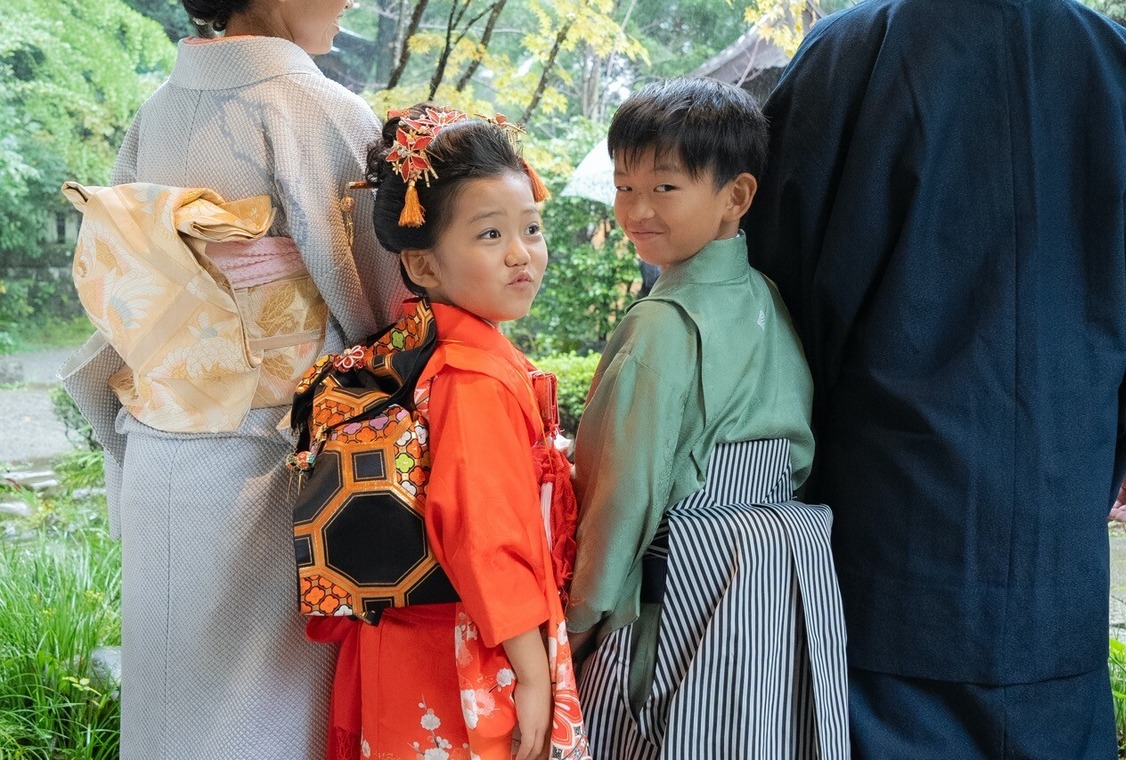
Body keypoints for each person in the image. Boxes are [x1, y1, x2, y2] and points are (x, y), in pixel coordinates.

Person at [747, 1, 1126, 757]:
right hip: (1057, 559)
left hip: (882, 553)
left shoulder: (847, 56)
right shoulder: (1121, 69)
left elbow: (772, 314)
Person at [58, 0, 405, 757]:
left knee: (170, 704)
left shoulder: (161, 110)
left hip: (159, 444)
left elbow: (125, 286)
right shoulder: (315, 106)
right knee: (264, 710)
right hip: (270, 457)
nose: (349, 2)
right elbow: (381, 301)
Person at [567, 77, 849, 758]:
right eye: (625, 184)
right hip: (780, 578)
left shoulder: (661, 325)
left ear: (737, 197)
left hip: (688, 584)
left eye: (665, 187)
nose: (636, 208)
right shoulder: (767, 296)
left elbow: (622, 499)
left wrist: (577, 628)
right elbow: (800, 454)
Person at [315, 104, 590, 760]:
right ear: (425, 266)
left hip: (413, 635)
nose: (522, 255)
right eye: (490, 235)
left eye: (531, 227)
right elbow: (483, 535)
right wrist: (530, 672)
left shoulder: (423, 350)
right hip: (473, 644)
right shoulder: (476, 378)